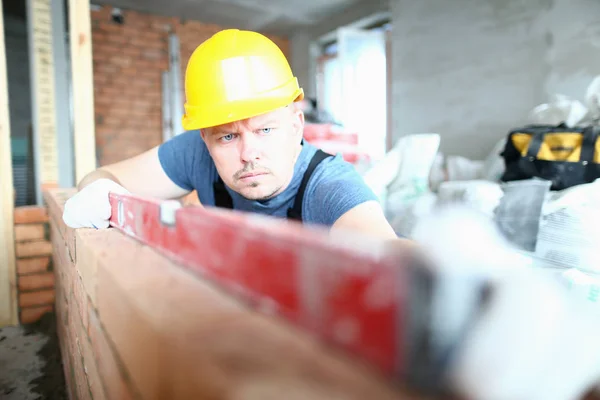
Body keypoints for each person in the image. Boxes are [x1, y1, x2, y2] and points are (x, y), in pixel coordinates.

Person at [62, 29, 399, 241]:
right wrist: (97, 192)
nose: (248, 152)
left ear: (297, 125)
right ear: (205, 139)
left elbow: (388, 253)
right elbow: (102, 177)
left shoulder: (330, 185)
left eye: (265, 129)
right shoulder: (195, 152)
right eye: (227, 137)